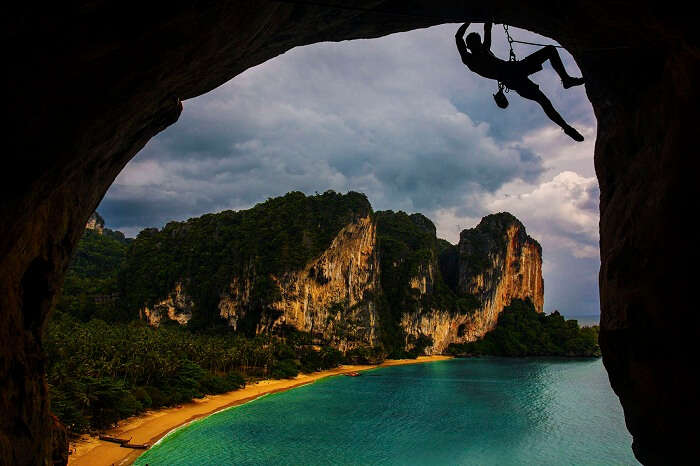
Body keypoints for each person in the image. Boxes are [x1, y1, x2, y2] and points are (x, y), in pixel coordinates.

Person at [455, 22, 585, 142]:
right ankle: (566, 83)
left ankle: (565, 123)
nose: (478, 44)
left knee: (543, 100)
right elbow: (483, 29)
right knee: (550, 54)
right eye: (477, 42)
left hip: (513, 77)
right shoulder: (480, 52)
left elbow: (460, 37)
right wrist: (475, 18)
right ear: (476, 43)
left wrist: (470, 21)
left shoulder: (470, 59)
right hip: (516, 72)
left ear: (469, 45)